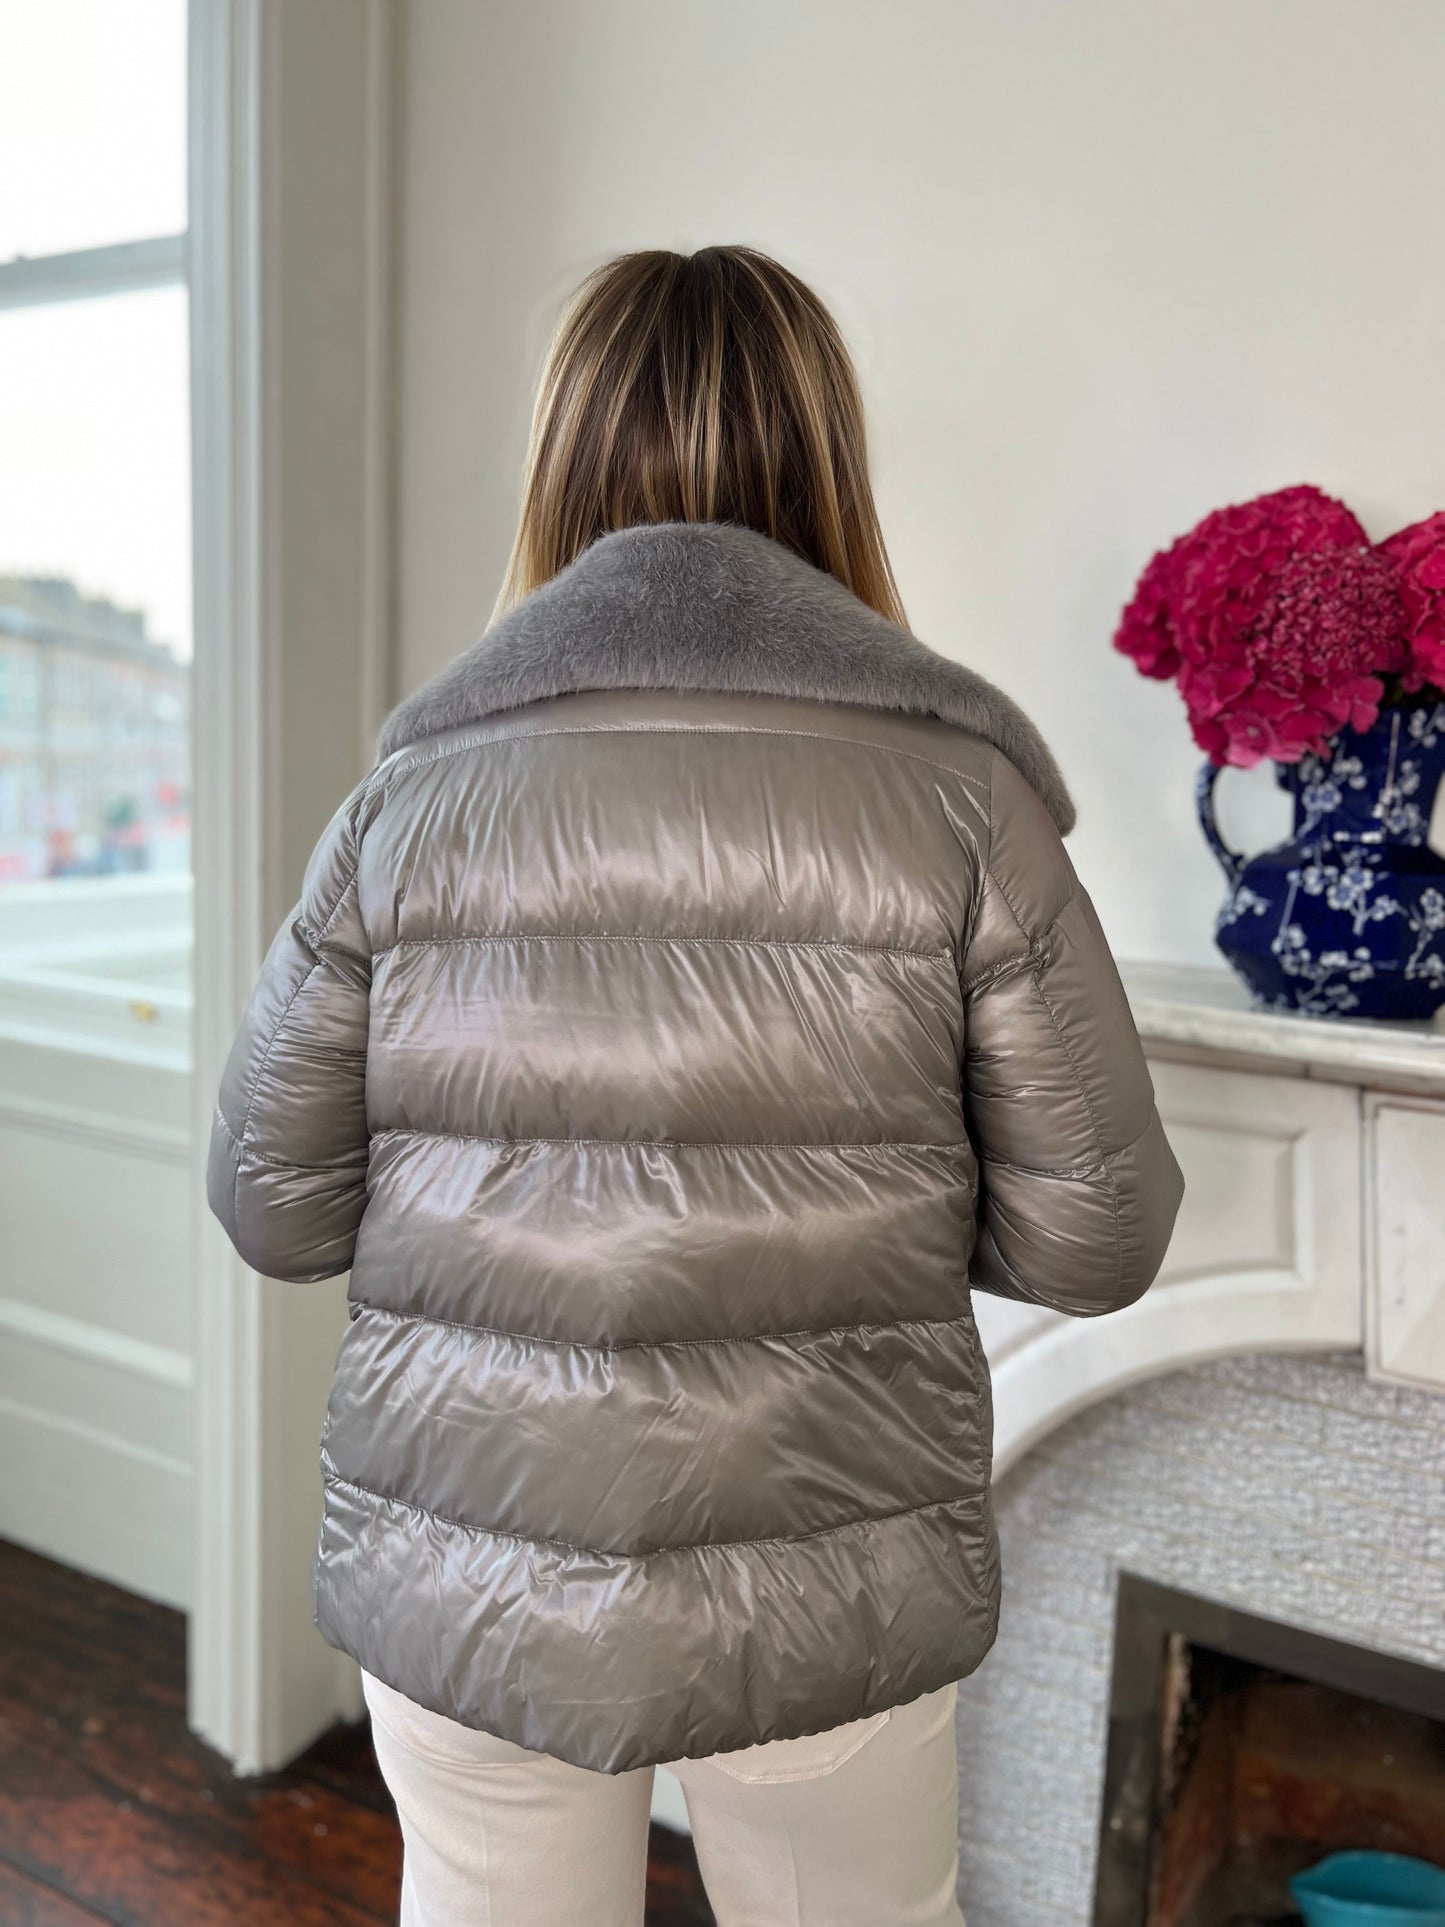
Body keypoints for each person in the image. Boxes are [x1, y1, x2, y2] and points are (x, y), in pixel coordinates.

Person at [208, 246, 1184, 1927]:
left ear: (556, 465)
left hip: (466, 1562)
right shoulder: (964, 801)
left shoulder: (403, 809)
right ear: (828, 463)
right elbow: (1094, 1244)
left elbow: (272, 1206)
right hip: (828, 1565)